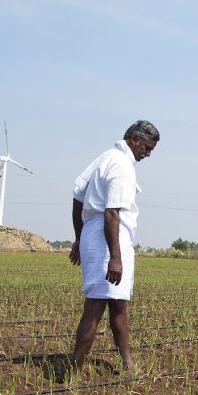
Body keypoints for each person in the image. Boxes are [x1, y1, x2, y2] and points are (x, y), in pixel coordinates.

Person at [68, 120, 159, 373]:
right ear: (134, 140)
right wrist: (115, 257)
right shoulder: (121, 166)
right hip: (109, 238)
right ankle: (73, 369)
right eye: (147, 147)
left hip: (95, 235)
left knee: (118, 304)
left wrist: (79, 237)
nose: (148, 154)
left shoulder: (104, 158)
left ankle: (127, 363)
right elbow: (111, 213)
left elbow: (77, 196)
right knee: (95, 306)